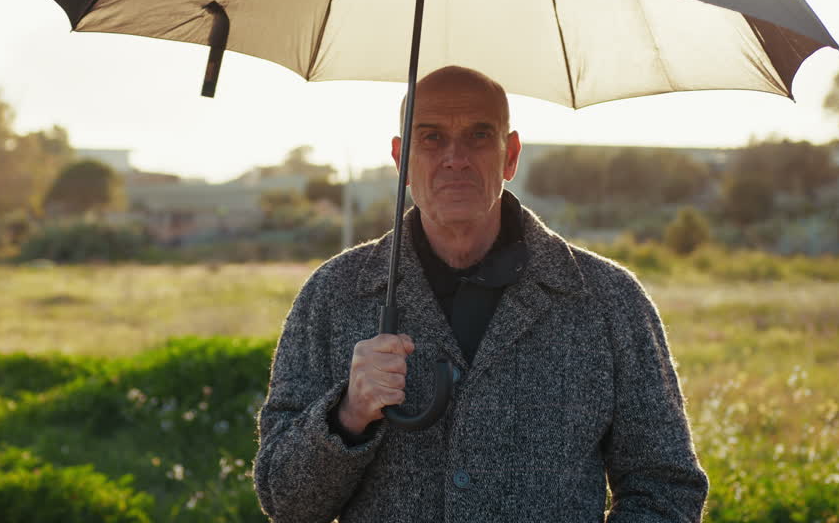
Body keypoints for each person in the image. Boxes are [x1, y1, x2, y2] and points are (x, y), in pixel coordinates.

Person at [254, 66, 708, 522]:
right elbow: (286, 501)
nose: (455, 158)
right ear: (400, 160)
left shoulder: (608, 301)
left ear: (509, 155)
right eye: (431, 138)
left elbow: (665, 489)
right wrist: (348, 414)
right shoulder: (333, 296)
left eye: (478, 135)